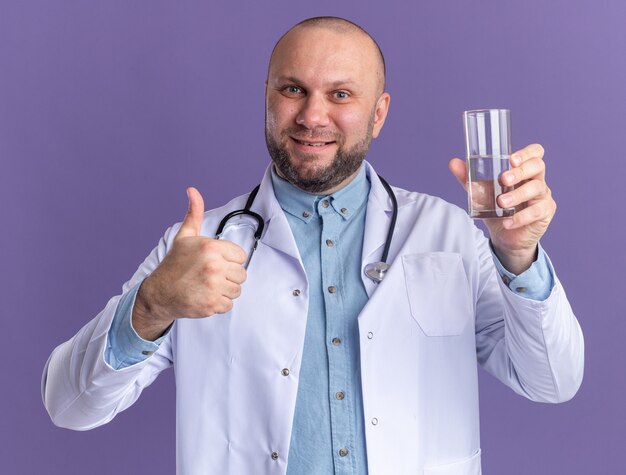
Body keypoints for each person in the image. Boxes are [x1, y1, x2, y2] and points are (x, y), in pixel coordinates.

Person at [42, 16, 584, 475]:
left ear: (379, 113)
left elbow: (553, 381)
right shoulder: (196, 246)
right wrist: (152, 305)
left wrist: (519, 257)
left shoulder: (452, 236)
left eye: (341, 94)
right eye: (293, 88)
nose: (312, 116)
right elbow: (69, 406)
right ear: (267, 96)